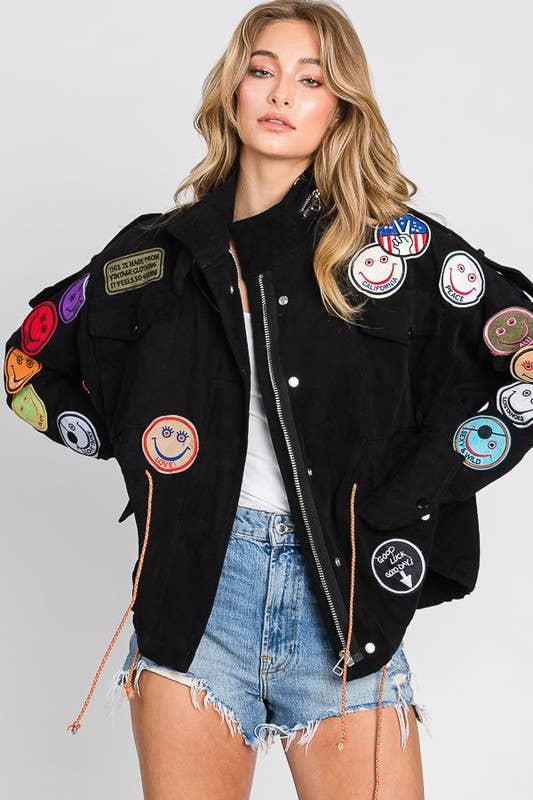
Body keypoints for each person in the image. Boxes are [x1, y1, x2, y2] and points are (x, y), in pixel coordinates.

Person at [4, 2, 533, 798]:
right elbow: (27, 365)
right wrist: (148, 453)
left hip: (343, 603)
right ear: (233, 90)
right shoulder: (155, 256)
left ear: (339, 107)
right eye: (262, 70)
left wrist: (409, 493)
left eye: (310, 80)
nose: (282, 93)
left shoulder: (398, 250)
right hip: (195, 602)